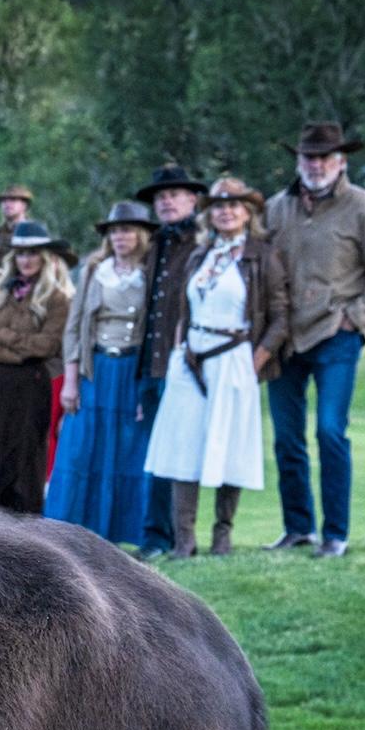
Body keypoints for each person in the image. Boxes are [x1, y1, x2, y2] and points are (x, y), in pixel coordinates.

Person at [259, 121, 365, 556]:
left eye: (325, 157)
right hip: (285, 336)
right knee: (287, 437)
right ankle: (298, 528)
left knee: (329, 431)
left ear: (341, 161)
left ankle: (335, 534)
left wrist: (354, 318)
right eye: (308, 157)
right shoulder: (276, 209)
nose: (316, 165)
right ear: (298, 161)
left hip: (335, 334)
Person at [145, 177, 284, 558]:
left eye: (234, 205)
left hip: (234, 355)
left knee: (230, 444)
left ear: (248, 212)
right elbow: (183, 310)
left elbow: (280, 317)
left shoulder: (261, 256)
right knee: (182, 445)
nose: (226, 211)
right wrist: (179, 350)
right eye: (219, 205)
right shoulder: (200, 255)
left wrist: (255, 362)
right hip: (191, 356)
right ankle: (183, 539)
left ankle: (222, 534)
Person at [45, 203, 161, 545]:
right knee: (81, 448)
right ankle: (70, 534)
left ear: (140, 235)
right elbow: (74, 327)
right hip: (96, 370)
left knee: (127, 450)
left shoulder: (151, 273)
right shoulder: (96, 270)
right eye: (114, 231)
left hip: (131, 372)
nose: (120, 237)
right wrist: (70, 380)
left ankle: (124, 534)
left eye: (126, 230)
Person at [0, 220, 69, 513]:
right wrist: (16, 352)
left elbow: (46, 346)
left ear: (44, 257)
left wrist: (2, 336)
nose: (26, 260)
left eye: (33, 253)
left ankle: (25, 528)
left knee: (25, 458)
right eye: (21, 254)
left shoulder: (57, 298)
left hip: (31, 384)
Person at [127, 163, 207, 555]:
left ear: (192, 200)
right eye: (161, 197)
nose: (167, 202)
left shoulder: (203, 243)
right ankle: (155, 536)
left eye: (175, 195)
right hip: (151, 366)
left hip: (185, 364)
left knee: (180, 453)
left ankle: (180, 537)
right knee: (154, 455)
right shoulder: (155, 245)